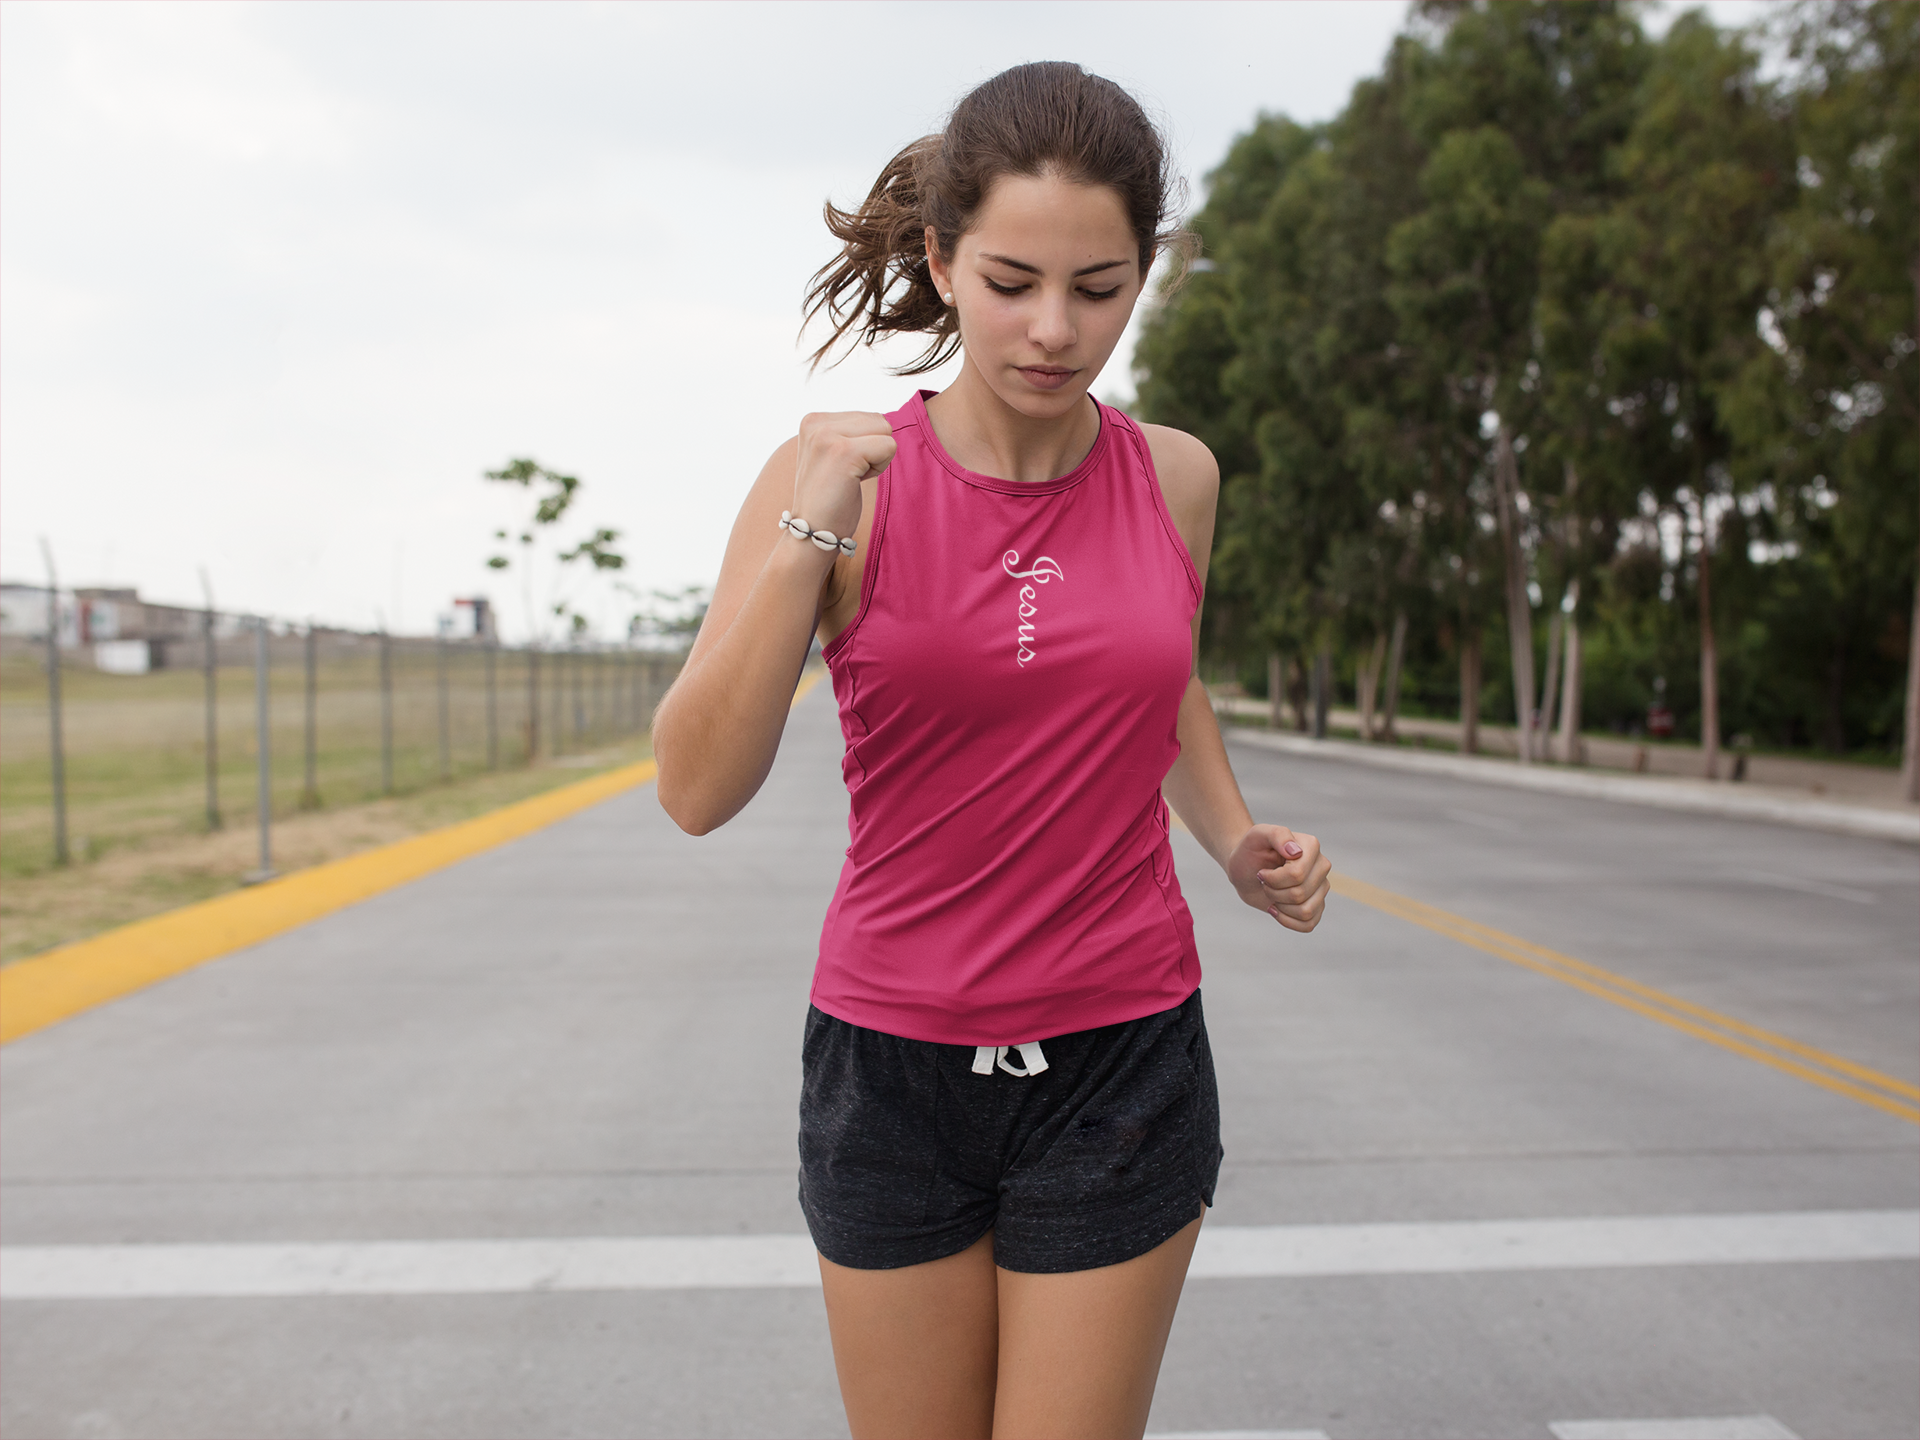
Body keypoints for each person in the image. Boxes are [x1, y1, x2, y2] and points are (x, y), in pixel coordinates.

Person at [653, 61, 1332, 1440]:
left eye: (1100, 287)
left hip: (1121, 1058)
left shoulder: (1177, 477)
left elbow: (1158, 683)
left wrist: (1235, 841)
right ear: (941, 258)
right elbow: (695, 790)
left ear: (1148, 272)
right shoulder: (829, 481)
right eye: (1013, 280)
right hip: (890, 1067)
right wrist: (813, 532)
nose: (1053, 329)